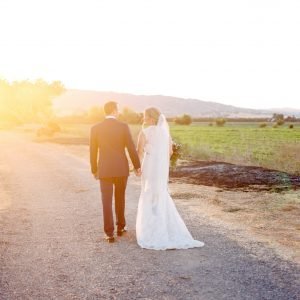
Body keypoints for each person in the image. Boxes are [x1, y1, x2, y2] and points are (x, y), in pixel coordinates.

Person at [136, 107, 204, 250]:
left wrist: (139, 167)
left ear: (151, 118)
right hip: (160, 168)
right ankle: (162, 225)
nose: (143, 118)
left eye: (145, 116)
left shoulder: (144, 132)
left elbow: (139, 151)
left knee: (149, 192)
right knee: (160, 193)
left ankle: (150, 228)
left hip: (149, 166)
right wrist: (160, 163)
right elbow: (170, 151)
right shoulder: (165, 133)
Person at [90, 101, 141, 243]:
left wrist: (94, 169)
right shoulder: (123, 127)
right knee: (120, 197)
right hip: (121, 169)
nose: (118, 112)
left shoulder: (95, 128)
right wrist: (137, 165)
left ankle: (109, 233)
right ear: (113, 110)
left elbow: (93, 151)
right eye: (117, 110)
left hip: (104, 169)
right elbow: (131, 148)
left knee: (106, 201)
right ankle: (120, 227)